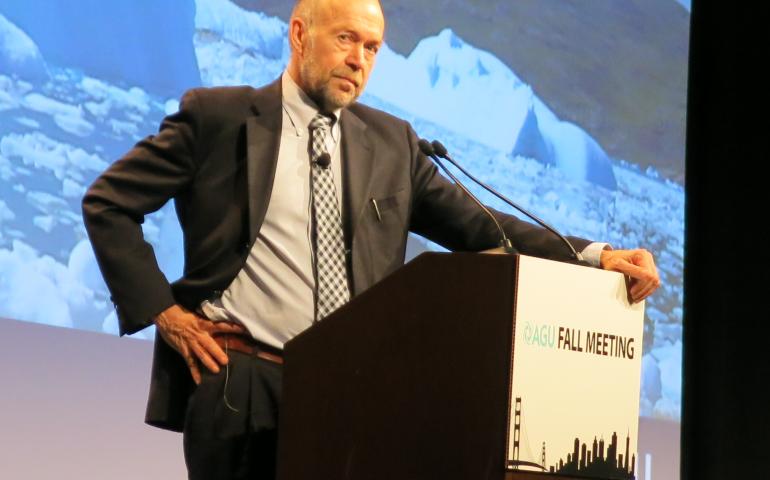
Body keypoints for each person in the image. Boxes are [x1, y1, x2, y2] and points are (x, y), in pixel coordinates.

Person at [82, 0, 660, 478]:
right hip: (243, 384)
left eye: (373, 48)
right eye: (346, 40)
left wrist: (596, 256)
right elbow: (109, 203)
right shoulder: (218, 118)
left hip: (356, 395)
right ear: (300, 34)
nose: (359, 60)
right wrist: (167, 313)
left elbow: (484, 229)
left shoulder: (394, 145)